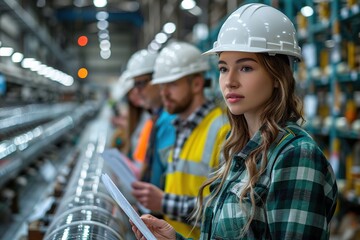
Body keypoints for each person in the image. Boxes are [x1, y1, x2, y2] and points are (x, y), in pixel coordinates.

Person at [130, 3, 338, 240]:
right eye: (223, 68)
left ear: (277, 77)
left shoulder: (296, 156)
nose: (230, 81)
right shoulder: (238, 149)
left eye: (246, 68)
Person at [131, 41, 230, 239]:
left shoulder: (223, 130)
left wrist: (164, 203)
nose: (164, 93)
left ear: (196, 84)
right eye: (162, 85)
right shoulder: (181, 127)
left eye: (172, 84)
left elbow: (225, 214)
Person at [121, 49, 176, 190]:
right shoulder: (156, 119)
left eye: (141, 83)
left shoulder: (171, 121)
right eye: (135, 85)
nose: (137, 91)